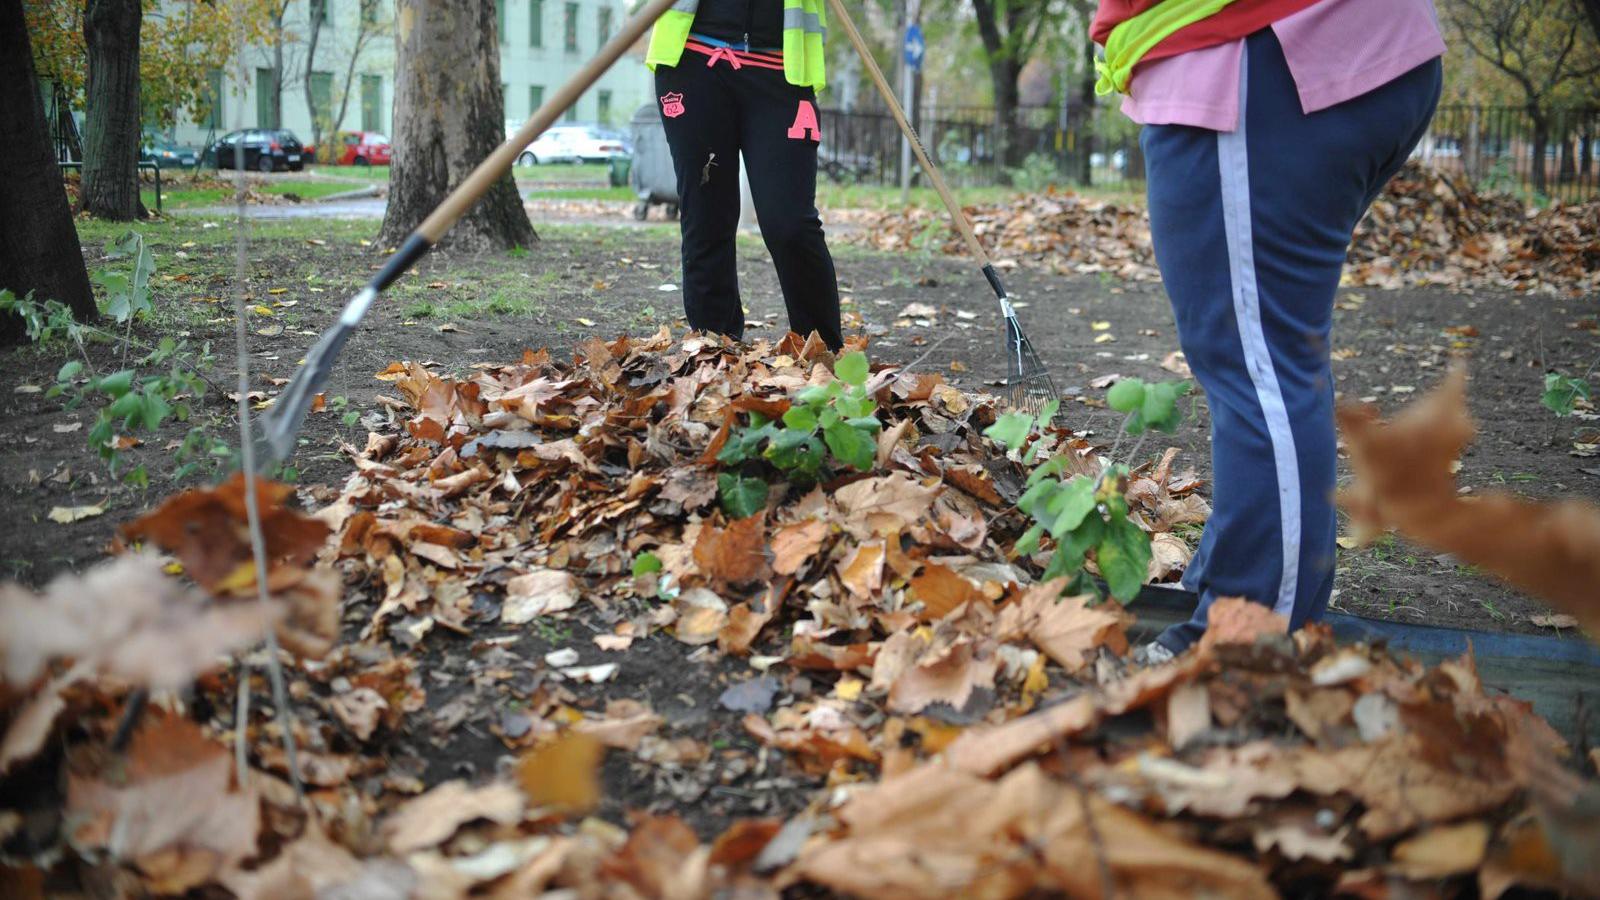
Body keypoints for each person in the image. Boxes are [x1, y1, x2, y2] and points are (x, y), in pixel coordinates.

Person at [1092, 0, 1445, 662]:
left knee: (1257, 360)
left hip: (1259, 51)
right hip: (1306, 47)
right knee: (1267, 349)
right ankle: (1262, 599)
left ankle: (1244, 644)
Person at [645, 0, 843, 351]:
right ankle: (715, 351)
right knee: (707, 218)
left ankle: (822, 354)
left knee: (791, 224)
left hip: (783, 71)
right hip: (693, 63)